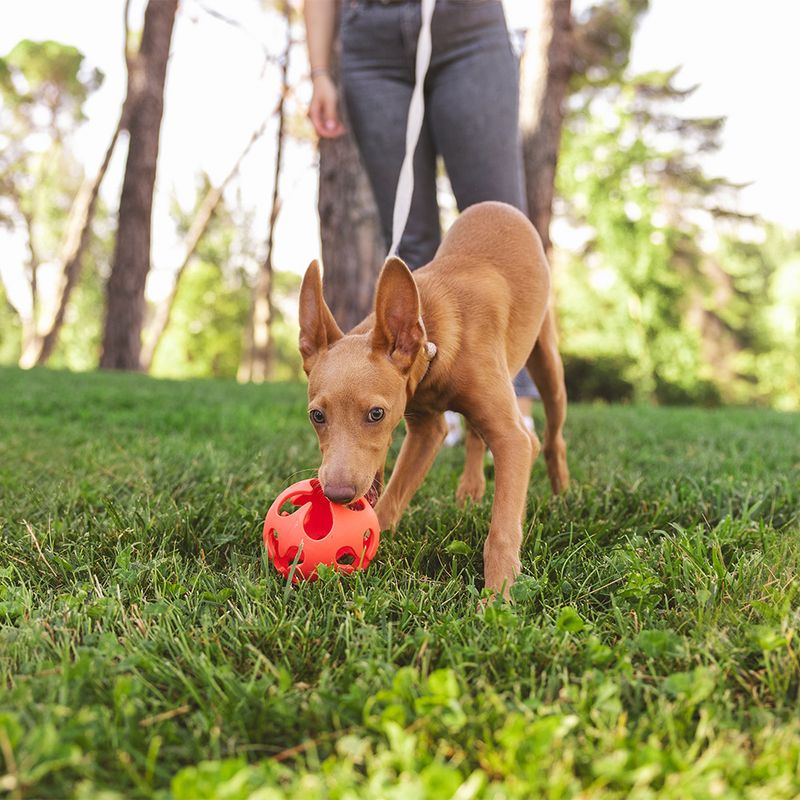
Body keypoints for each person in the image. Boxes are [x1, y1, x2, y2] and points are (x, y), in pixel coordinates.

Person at [303, 0, 539, 438]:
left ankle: (510, 404)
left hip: (466, 25)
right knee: (407, 245)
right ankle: (430, 412)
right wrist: (319, 72)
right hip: (370, 41)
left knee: (499, 221)